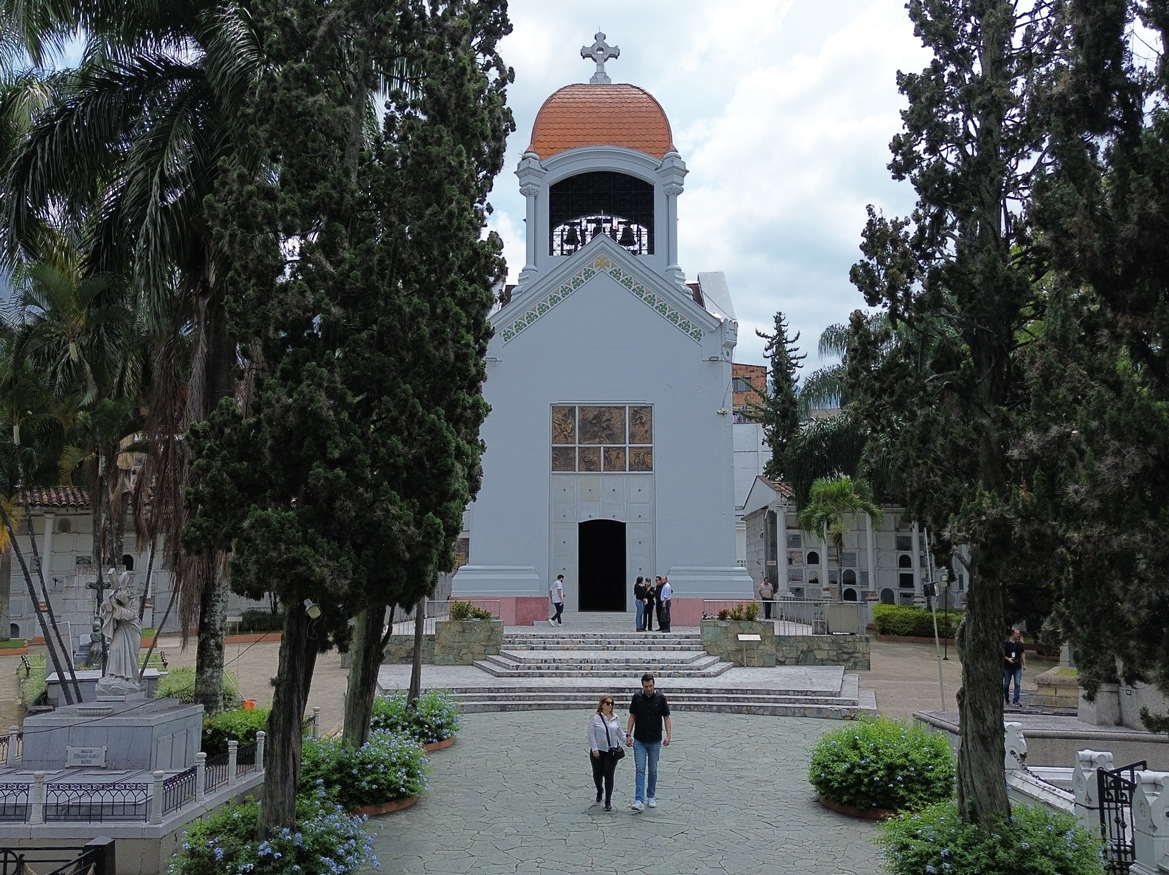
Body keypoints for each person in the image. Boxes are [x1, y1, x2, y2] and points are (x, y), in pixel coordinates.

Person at [625, 672, 671, 812]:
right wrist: (628, 734)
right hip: (640, 739)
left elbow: (666, 717)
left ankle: (651, 795)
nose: (649, 689)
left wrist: (669, 735)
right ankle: (639, 799)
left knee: (653, 769)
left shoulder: (661, 698)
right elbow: (632, 716)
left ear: (654, 684)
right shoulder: (637, 698)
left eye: (651, 686)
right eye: (646, 686)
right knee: (640, 769)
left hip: (655, 740)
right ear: (642, 686)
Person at [588, 695, 623, 811]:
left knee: (609, 775)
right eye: (607, 703)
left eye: (612, 703)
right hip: (598, 750)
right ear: (602, 704)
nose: (610, 706)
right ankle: (599, 789)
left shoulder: (615, 718)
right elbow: (591, 734)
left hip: (611, 751)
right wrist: (594, 749)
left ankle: (608, 801)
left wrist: (627, 739)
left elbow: (619, 732)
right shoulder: (595, 718)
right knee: (597, 774)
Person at [1003, 627, 1026, 706]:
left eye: (1019, 634)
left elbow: (1022, 654)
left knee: (1017, 683)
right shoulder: (1006, 643)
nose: (1018, 635)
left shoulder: (1019, 644)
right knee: (1006, 684)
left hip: (1017, 666)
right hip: (1007, 666)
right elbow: (1002, 654)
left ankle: (1016, 700)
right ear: (1012, 634)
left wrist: (1024, 664)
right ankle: (1006, 697)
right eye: (1017, 634)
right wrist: (1008, 659)